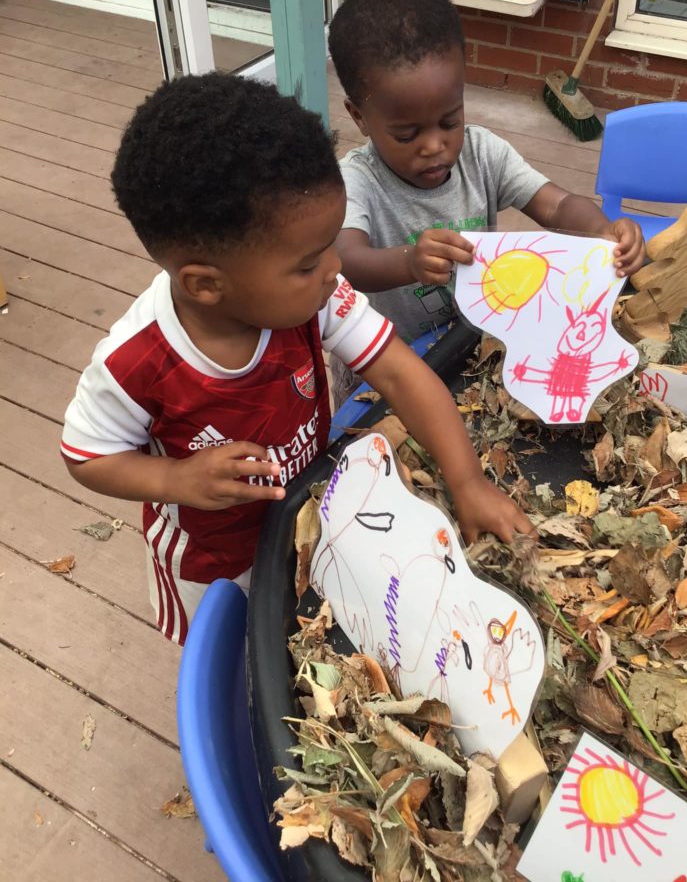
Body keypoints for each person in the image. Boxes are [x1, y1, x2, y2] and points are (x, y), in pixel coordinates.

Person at [60, 73, 535, 645]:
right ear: (206, 285)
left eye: (331, 245)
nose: (335, 267)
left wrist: (468, 482)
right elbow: (86, 456)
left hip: (311, 517)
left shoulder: (317, 298)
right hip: (213, 568)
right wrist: (175, 478)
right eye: (310, 262)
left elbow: (400, 371)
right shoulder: (133, 363)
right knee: (232, 654)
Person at [327, 0, 646, 407]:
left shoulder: (482, 154)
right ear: (359, 117)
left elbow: (554, 204)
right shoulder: (356, 181)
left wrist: (604, 233)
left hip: (469, 347)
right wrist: (409, 261)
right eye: (407, 134)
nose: (434, 145)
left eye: (450, 121)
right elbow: (345, 260)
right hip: (382, 366)